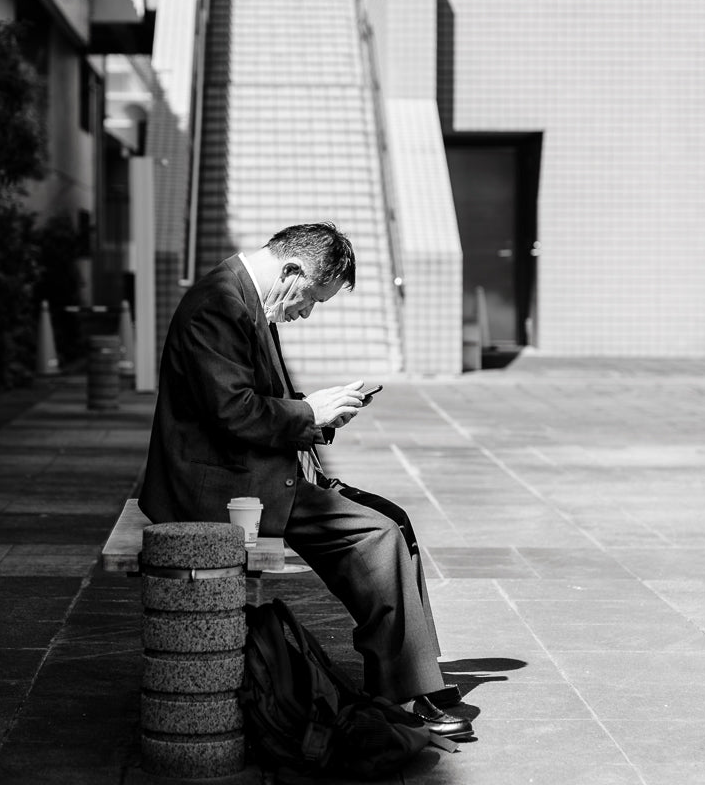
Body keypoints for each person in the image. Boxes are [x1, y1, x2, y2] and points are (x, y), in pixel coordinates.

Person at [138, 222, 473, 741]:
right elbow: (233, 411)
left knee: (392, 523)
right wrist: (308, 412)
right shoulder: (220, 304)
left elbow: (246, 405)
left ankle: (414, 680)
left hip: (240, 474)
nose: (307, 313)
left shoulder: (245, 297)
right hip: (217, 487)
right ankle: (410, 690)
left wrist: (320, 415)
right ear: (292, 271)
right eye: (313, 298)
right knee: (378, 536)